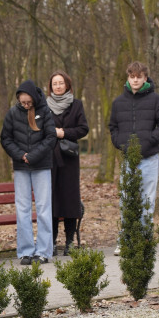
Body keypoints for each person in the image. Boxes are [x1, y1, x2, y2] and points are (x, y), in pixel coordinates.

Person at [108, 61, 159, 254]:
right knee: (127, 199)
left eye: (139, 76)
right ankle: (126, 240)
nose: (135, 80)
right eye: (132, 76)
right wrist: (120, 143)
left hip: (150, 158)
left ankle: (144, 240)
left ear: (145, 78)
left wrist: (150, 141)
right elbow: (113, 127)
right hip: (129, 159)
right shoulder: (118, 102)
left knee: (146, 200)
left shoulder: (155, 100)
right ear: (128, 78)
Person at [0, 80, 55, 265]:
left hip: (42, 166)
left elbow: (51, 137)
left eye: (28, 103)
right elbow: (6, 138)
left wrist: (33, 156)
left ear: (33, 98)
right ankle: (25, 251)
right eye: (23, 102)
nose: (25, 105)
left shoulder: (45, 111)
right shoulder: (13, 113)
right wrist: (21, 155)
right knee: (22, 209)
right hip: (21, 167)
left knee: (43, 208)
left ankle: (44, 251)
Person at [46, 70, 88, 256]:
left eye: (61, 83)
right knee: (53, 199)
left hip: (69, 158)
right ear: (51, 87)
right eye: (54, 83)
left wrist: (64, 132)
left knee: (70, 200)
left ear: (67, 85)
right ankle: (52, 241)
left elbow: (83, 128)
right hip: (50, 158)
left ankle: (70, 241)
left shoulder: (76, 104)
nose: (58, 86)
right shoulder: (44, 106)